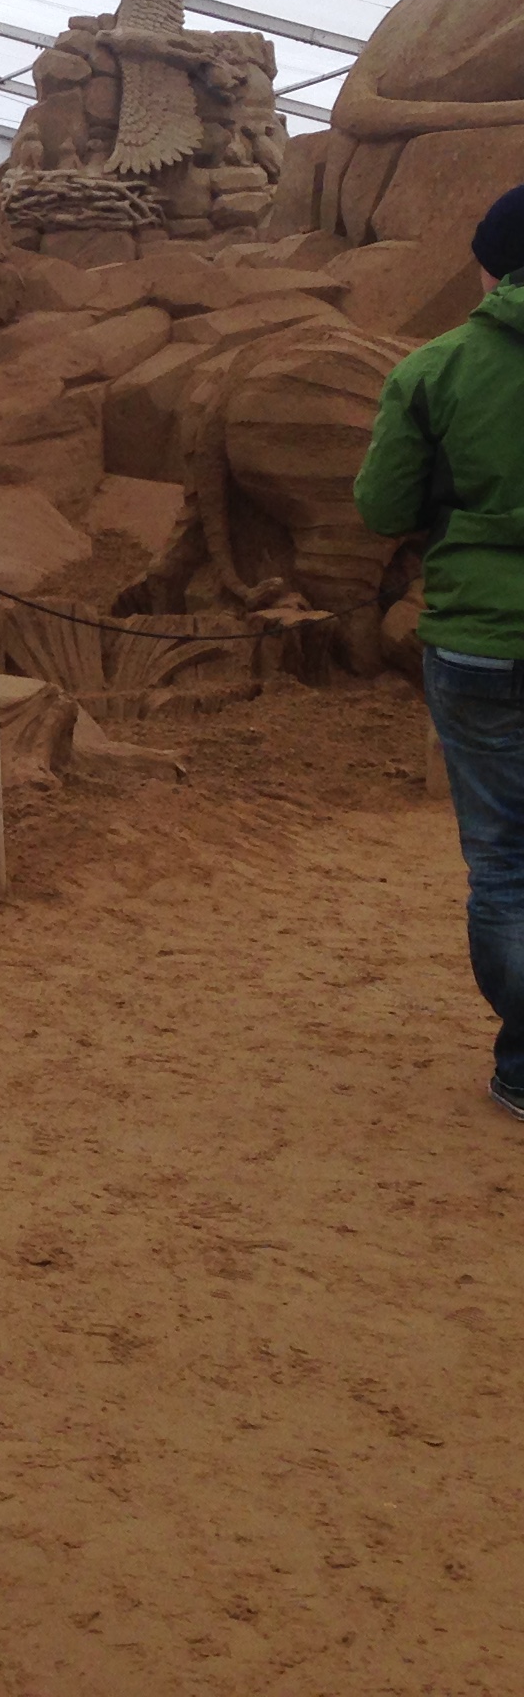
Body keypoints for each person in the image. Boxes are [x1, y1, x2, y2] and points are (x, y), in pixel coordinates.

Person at [355, 184, 524, 1121]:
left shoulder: (436, 369)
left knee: (502, 863)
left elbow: (381, 508)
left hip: (478, 640)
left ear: (490, 268)